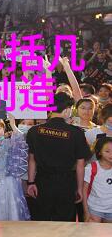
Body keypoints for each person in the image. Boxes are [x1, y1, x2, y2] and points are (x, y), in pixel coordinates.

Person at [26, 92, 91, 221]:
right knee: (64, 223)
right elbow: (80, 165)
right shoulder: (76, 133)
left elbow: (32, 160)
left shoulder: (34, 131)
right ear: (67, 110)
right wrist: (79, 188)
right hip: (66, 183)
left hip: (42, 182)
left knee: (41, 220)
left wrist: (31, 182)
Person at [0, 117, 30, 221]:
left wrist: (13, 124)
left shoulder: (10, 143)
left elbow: (21, 138)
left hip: (10, 184)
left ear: (3, 129)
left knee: (12, 213)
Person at [83, 137, 112, 223]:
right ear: (99, 152)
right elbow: (84, 191)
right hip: (94, 209)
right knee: (92, 231)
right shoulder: (91, 168)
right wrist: (86, 211)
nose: (111, 154)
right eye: (107, 151)